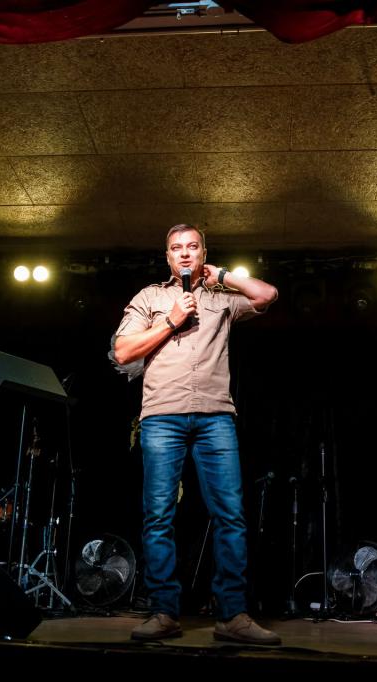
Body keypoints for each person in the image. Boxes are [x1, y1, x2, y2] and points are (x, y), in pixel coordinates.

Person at [111, 224, 280, 645]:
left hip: (215, 417)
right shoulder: (150, 297)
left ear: (203, 252)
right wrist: (171, 320)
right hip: (162, 417)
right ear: (167, 257)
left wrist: (221, 275)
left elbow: (267, 295)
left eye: (192, 247)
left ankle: (233, 615)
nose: (184, 254)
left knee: (230, 514)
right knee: (159, 515)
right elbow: (123, 351)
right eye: (176, 248)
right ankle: (164, 612)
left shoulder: (222, 298)